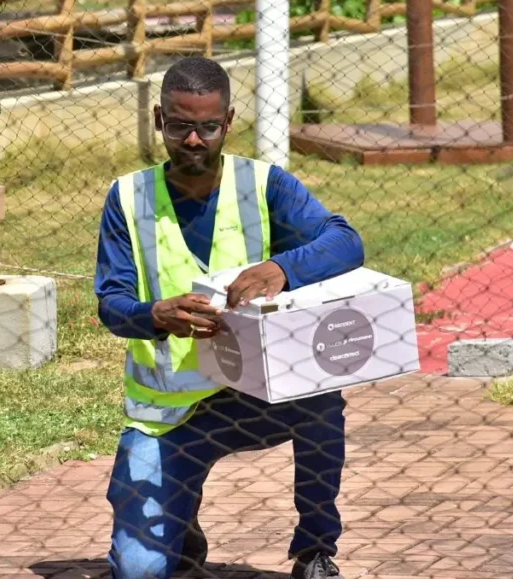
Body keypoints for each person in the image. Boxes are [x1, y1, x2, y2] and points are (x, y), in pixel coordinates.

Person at [94, 56, 365, 579]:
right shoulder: (127, 197)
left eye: (207, 127)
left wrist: (283, 267)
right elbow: (111, 302)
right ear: (158, 120)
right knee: (139, 571)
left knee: (322, 396)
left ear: (229, 122)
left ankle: (315, 549)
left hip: (258, 394)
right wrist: (154, 314)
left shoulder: (265, 185)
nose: (193, 140)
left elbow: (345, 241)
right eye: (179, 126)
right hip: (170, 411)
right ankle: (180, 524)